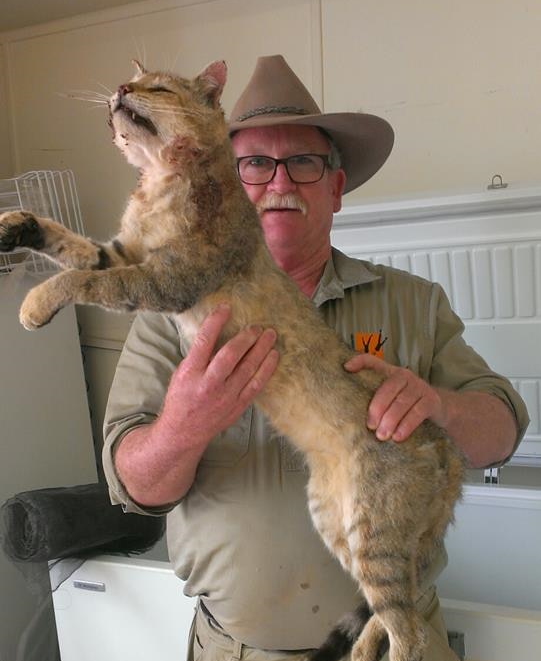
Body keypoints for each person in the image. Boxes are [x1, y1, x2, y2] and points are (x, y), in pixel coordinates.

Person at [102, 55, 529, 660]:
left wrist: (442, 407)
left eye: (303, 162)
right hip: (235, 651)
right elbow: (132, 485)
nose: (279, 184)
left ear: (335, 187)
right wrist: (182, 425)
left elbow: (504, 429)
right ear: (222, 177)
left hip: (390, 641)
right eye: (254, 163)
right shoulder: (171, 307)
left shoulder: (413, 302)